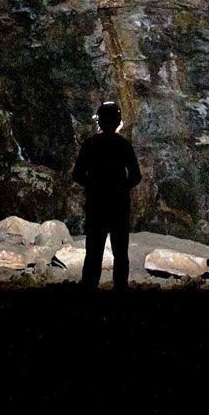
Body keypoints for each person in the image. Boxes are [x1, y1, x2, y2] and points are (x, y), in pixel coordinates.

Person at [71, 101, 140, 291]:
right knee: (120, 250)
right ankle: (120, 287)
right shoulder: (124, 145)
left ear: (99, 121)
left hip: (96, 203)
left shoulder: (91, 144)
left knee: (93, 250)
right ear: (118, 121)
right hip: (119, 204)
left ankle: (89, 287)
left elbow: (77, 174)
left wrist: (93, 186)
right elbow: (136, 176)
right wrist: (121, 188)